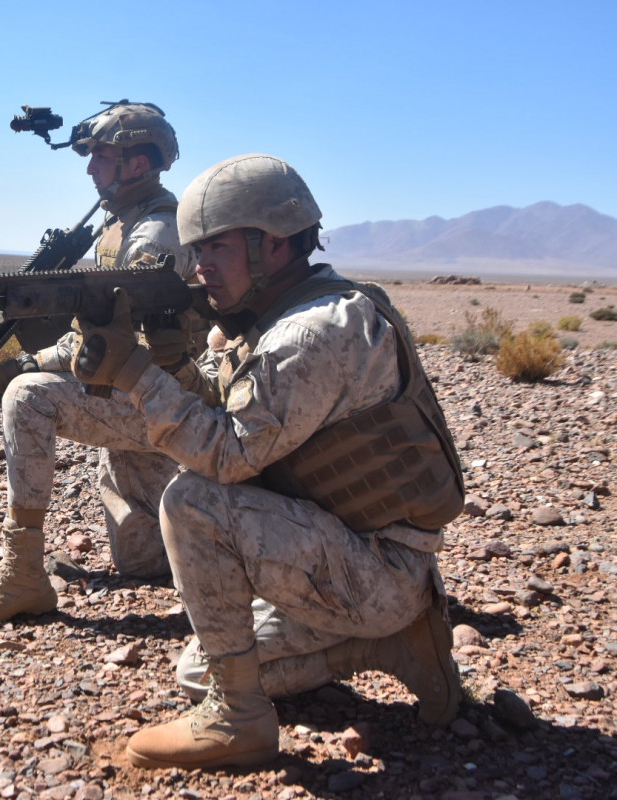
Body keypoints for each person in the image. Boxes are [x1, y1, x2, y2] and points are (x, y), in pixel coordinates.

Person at [67, 153, 465, 769]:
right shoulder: (278, 317)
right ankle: (392, 644)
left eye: (216, 249)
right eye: (196, 250)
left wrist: (138, 376)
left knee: (193, 499)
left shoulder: (311, 333)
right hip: (350, 554)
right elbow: (240, 421)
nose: (198, 267)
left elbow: (227, 456)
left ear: (272, 244)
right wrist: (173, 366)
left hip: (374, 566)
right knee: (200, 666)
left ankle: (239, 720)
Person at [0, 102, 200, 625]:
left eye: (100, 157)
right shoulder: (122, 225)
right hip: (144, 391)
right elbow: (92, 338)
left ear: (135, 164)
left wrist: (21, 375)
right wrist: (24, 360)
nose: (89, 169)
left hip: (158, 397)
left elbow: (112, 349)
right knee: (142, 560)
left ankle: (23, 575)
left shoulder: (153, 235)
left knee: (29, 398)